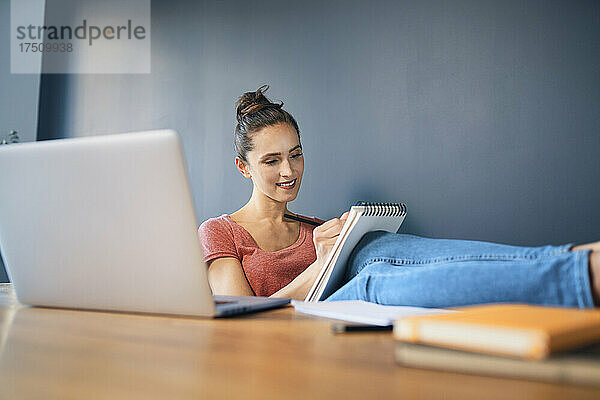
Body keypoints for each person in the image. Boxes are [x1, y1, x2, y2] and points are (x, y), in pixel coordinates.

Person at [198, 85, 600, 307]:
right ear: (243, 167)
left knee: (380, 248)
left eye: (296, 154)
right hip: (314, 317)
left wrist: (342, 244)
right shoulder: (221, 231)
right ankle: (580, 277)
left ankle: (572, 258)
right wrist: (321, 266)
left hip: (349, 292)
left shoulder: (314, 229)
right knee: (377, 277)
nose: (289, 171)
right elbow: (243, 318)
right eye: (271, 161)